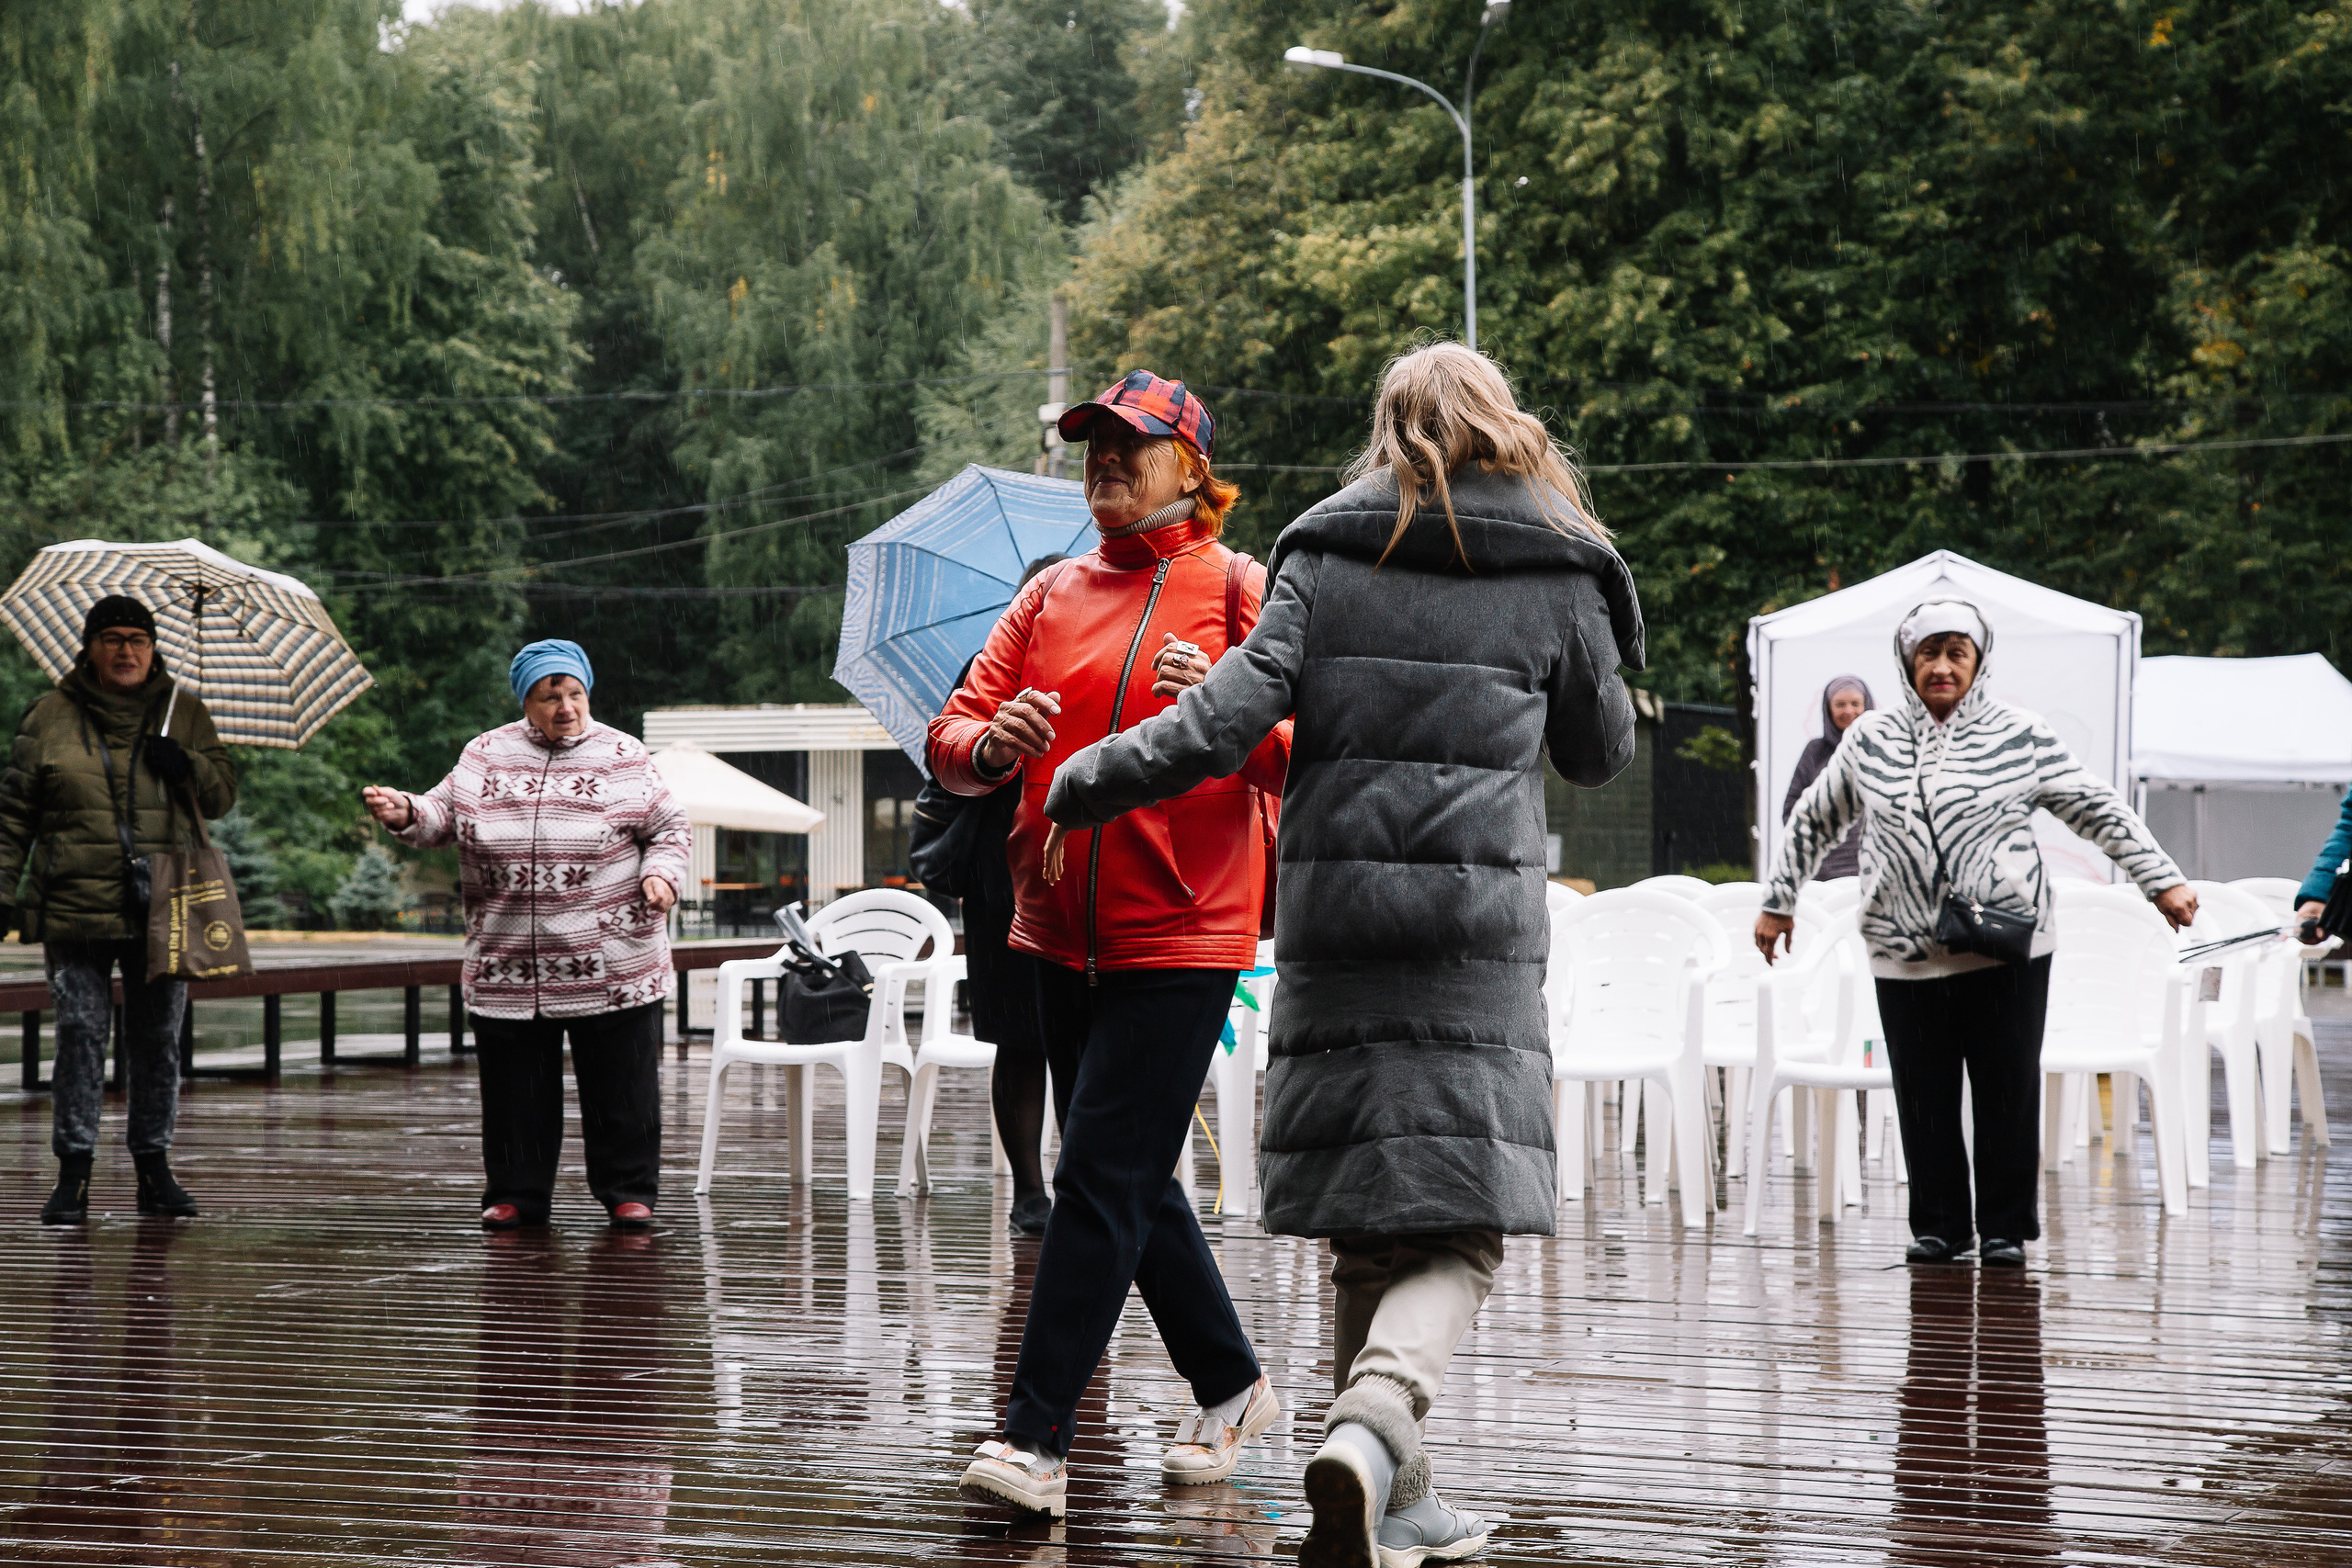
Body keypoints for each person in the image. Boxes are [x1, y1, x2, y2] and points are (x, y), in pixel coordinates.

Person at [1040, 343, 1640, 1568]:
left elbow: (1223, 717)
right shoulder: (1558, 562)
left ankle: (1396, 1496)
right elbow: (1600, 750)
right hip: (1474, 935)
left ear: (1386, 424)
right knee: (1465, 1226)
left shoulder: (1322, 553)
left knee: (1370, 1218)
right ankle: (1371, 1423)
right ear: (1501, 421)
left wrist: (1085, 777)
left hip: (1336, 920)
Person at [929, 371, 1291, 1517]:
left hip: (1185, 930)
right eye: (1089, 444)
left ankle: (1035, 1437)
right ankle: (1231, 1386)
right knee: (1130, 1178)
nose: (1104, 463)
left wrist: (1227, 712)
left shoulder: (1239, 586)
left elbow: (1303, 752)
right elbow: (950, 732)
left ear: (1191, 467)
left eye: (1130, 445)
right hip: (1052, 926)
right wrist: (996, 746)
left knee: (1095, 1174)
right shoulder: (1046, 595)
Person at [1758, 600, 2196, 1269]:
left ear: (1979, 661)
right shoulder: (1869, 737)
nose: (1941, 667)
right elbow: (1815, 819)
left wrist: (2159, 878)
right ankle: (1937, 1224)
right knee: (1923, 1094)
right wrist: (1779, 901)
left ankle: (2003, 1229)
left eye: (1955, 653)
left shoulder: (2019, 733)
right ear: (1906, 663)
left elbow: (2094, 805)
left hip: (2007, 945)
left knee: (2006, 1089)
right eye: (1927, 654)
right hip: (1903, 946)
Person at [361, 639, 690, 1231]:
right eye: (549, 696)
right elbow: (443, 814)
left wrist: (661, 875)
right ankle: (517, 1192)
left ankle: (628, 1191)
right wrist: (405, 811)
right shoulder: (485, 753)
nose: (565, 707)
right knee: (515, 1090)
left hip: (613, 957)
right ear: (526, 702)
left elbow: (670, 828)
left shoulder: (623, 754)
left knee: (622, 1085)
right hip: (508, 956)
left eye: (574, 694)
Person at [0, 595, 237, 1224]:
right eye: (112, 638)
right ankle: (73, 1170)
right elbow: (13, 814)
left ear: (155, 646)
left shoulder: (182, 713)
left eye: (138, 638)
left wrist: (186, 765)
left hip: (164, 901)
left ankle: (153, 1168)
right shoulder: (48, 715)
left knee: (158, 1039)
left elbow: (221, 795)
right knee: (79, 1034)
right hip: (72, 902)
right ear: (90, 646)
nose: (126, 650)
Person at [910, 552, 1069, 1238]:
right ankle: (1029, 1193)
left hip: (1094, 863)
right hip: (1000, 870)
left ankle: (1085, 1181)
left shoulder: (1120, 655)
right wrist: (999, 743)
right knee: (1017, 1034)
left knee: (1086, 1036)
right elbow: (946, 757)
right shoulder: (988, 668)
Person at [1781, 676, 1874, 880]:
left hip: (1874, 874)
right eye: (1840, 704)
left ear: (1867, 706)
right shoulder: (1814, 753)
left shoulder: (1883, 751)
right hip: (1821, 875)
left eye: (1855, 704)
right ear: (1828, 709)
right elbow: (1791, 810)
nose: (1848, 711)